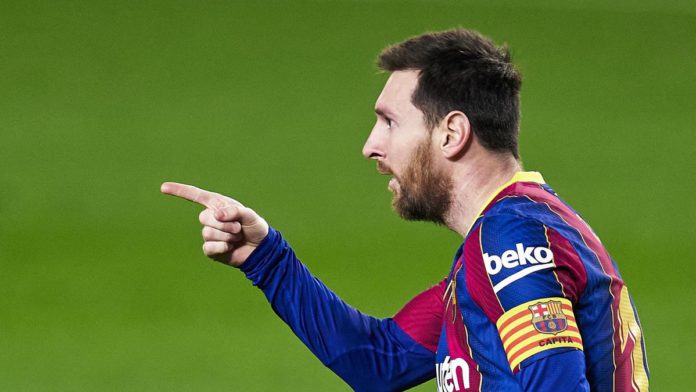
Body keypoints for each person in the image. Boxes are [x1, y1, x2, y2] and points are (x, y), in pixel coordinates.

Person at [161, 29, 649, 391]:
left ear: (451, 134)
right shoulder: (503, 242)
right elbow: (380, 359)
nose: (371, 146)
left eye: (390, 122)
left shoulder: (512, 238)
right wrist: (266, 257)